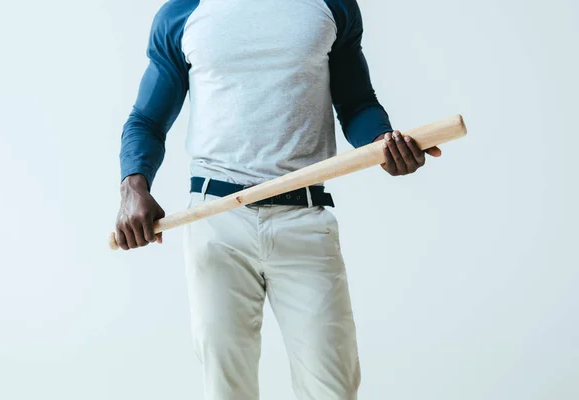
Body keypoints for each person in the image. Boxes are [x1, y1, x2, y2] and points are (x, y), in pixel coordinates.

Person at [115, 0, 441, 398]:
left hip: (305, 219)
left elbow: (357, 104)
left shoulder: (331, 5)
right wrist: (133, 186)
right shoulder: (183, 12)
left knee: (333, 389)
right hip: (216, 223)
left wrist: (382, 142)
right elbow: (147, 120)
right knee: (226, 389)